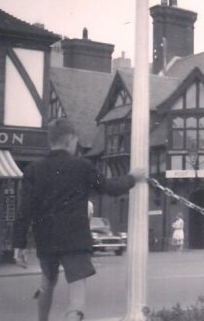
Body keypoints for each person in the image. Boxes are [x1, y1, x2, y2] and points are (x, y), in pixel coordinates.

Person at [12, 118, 146, 321]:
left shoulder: (33, 170)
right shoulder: (82, 166)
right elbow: (110, 188)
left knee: (46, 283)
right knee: (77, 294)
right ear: (71, 140)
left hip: (46, 238)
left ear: (52, 141)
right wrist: (132, 178)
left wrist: (18, 244)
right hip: (75, 239)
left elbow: (24, 211)